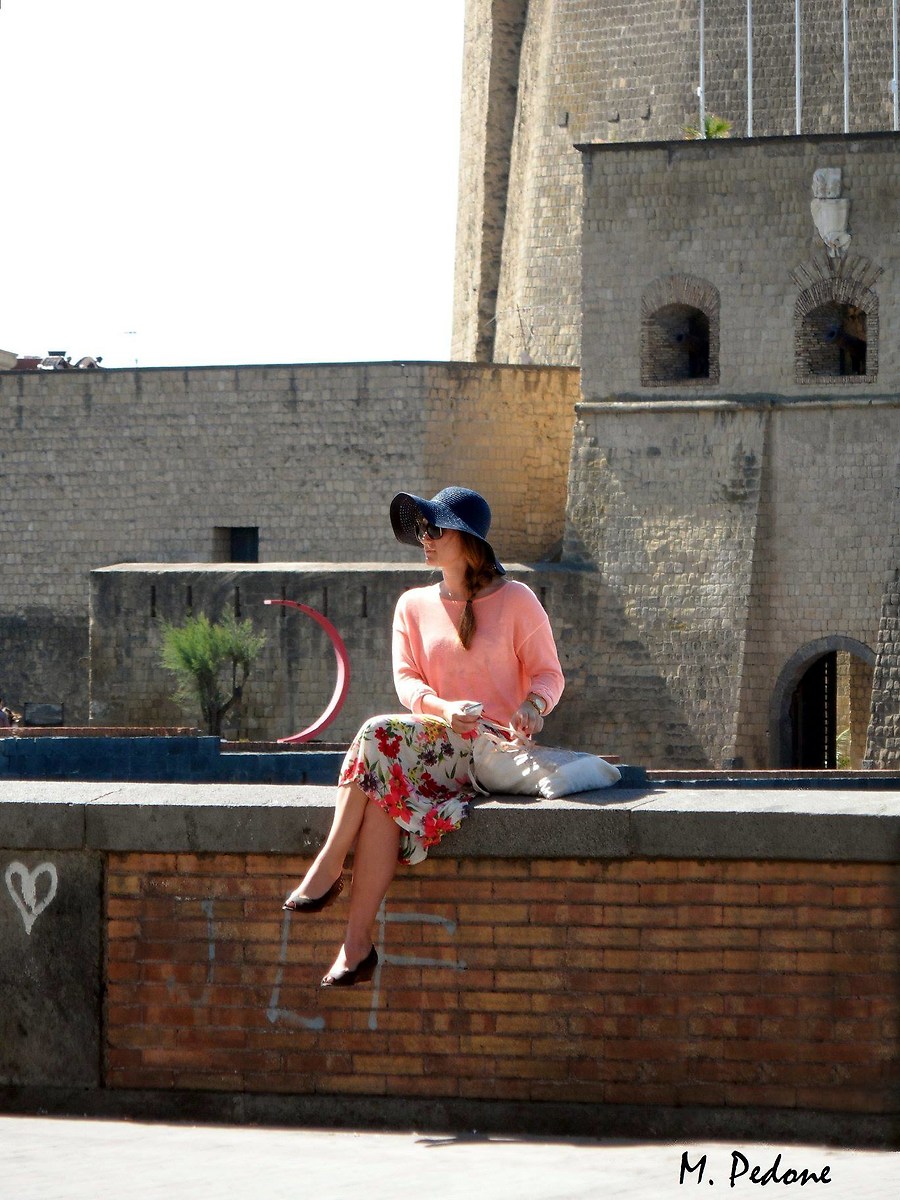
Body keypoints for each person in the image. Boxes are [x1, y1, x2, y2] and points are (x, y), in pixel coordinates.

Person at [282, 486, 565, 988]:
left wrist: (532, 707)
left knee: (376, 732)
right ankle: (356, 945)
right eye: (420, 529)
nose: (424, 538)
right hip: (430, 744)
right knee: (379, 799)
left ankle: (330, 862)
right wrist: (445, 710)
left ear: (468, 540)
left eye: (434, 529)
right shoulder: (411, 604)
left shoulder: (518, 599)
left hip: (490, 750)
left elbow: (549, 676)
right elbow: (408, 683)